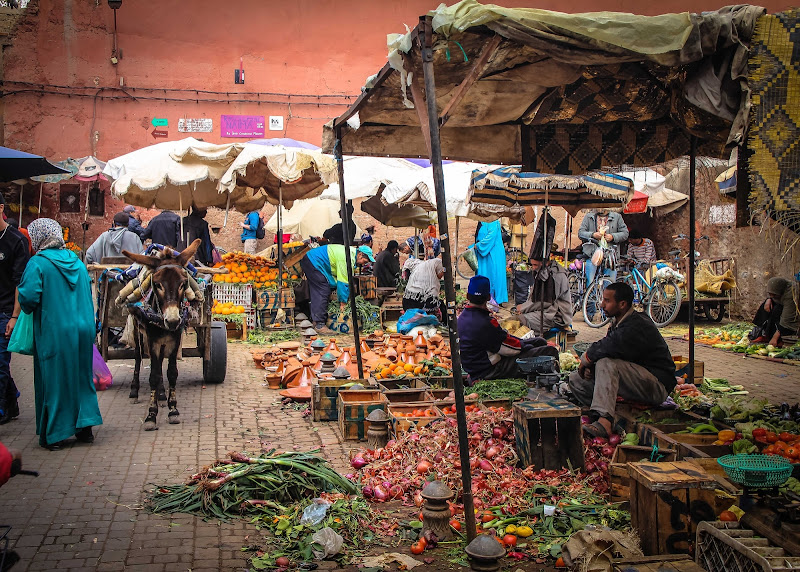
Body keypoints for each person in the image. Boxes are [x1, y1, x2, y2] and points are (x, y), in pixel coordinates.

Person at [18, 218, 103, 450]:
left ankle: (56, 434)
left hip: (55, 331)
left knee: (55, 380)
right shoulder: (75, 261)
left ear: (37, 238)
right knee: (81, 378)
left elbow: (28, 298)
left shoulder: (38, 263)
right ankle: (85, 429)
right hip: (82, 329)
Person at [568, 282, 675, 438]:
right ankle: (607, 411)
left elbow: (607, 347)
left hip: (656, 386)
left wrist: (586, 360)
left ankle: (605, 421)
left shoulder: (637, 324)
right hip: (634, 382)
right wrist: (590, 367)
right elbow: (610, 350)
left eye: (607, 301)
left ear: (622, 304)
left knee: (606, 363)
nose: (602, 304)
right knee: (576, 379)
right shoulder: (617, 323)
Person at [458, 275, 559, 381]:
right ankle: (554, 384)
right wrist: (530, 346)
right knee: (549, 351)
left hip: (475, 368)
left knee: (539, 341)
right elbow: (511, 349)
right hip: (488, 371)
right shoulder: (485, 323)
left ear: (467, 296)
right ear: (488, 297)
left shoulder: (462, 318)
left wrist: (533, 342)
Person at [0, 194, 29, 425]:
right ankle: (11, 401)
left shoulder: (15, 240)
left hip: (5, 311)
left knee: (0, 364)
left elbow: (20, 282)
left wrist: (14, 316)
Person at [300, 244, 371, 334]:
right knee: (323, 290)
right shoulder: (347, 258)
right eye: (365, 260)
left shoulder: (351, 254)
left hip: (313, 261)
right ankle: (319, 325)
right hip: (313, 261)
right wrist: (343, 303)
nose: (365, 263)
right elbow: (343, 282)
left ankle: (316, 320)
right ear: (360, 254)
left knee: (322, 289)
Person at [578, 208, 629, 319]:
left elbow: (625, 233)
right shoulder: (589, 216)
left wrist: (613, 237)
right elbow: (581, 232)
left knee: (610, 286)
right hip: (593, 255)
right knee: (590, 283)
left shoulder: (617, 217)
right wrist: (592, 235)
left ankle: (607, 314)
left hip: (610, 256)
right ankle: (590, 313)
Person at [516, 253, 573, 333]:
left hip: (556, 315)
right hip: (547, 310)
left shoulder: (556, 276)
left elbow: (545, 302)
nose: (533, 268)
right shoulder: (543, 272)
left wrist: (523, 308)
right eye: (532, 265)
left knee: (520, 321)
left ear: (545, 263)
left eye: (535, 265)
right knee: (517, 318)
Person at [750, 277, 799, 346]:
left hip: (793, 316)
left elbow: (786, 320)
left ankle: (781, 340)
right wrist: (769, 299)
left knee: (777, 311)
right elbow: (773, 292)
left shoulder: (791, 295)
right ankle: (763, 334)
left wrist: (774, 338)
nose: (772, 296)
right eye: (770, 294)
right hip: (781, 304)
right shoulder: (777, 290)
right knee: (765, 306)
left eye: (774, 295)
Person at [472, 219, 508, 305]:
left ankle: (495, 300)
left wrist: (479, 246)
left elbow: (491, 237)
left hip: (493, 253)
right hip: (484, 254)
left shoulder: (493, 222)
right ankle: (484, 297)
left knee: (494, 276)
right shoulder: (481, 222)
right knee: (485, 275)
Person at [402, 256, 446, 324]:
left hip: (407, 301)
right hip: (423, 304)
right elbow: (439, 276)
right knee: (442, 309)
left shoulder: (418, 266)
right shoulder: (438, 262)